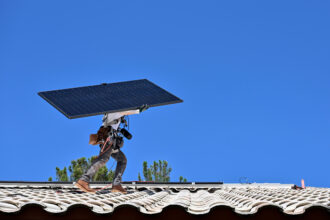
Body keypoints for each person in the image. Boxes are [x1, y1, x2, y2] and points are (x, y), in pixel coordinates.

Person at [75, 105, 148, 193]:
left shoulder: (113, 114)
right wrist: (138, 110)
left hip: (112, 141)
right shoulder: (115, 110)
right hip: (108, 139)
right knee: (103, 159)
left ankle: (116, 185)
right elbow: (126, 112)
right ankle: (83, 180)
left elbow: (116, 123)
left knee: (122, 160)